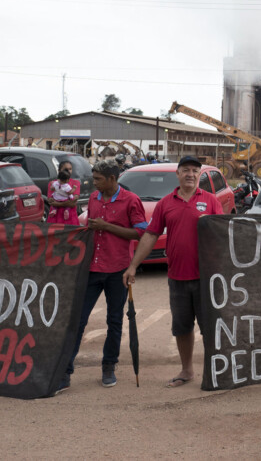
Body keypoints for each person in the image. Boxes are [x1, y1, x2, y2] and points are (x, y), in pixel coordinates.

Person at [123, 155, 223, 388]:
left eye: (195, 171)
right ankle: (187, 370)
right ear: (177, 174)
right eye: (186, 170)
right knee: (182, 326)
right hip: (177, 277)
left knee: (210, 327)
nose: (190, 174)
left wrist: (213, 224)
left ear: (200, 175)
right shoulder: (166, 203)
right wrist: (133, 265)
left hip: (206, 278)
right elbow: (150, 235)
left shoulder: (210, 200)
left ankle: (214, 371)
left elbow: (225, 234)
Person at [57, 159, 147, 393]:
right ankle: (65, 372)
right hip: (91, 269)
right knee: (78, 321)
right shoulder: (95, 199)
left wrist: (106, 227)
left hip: (118, 269)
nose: (94, 182)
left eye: (98, 179)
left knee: (114, 321)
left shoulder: (131, 200)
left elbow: (140, 232)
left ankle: (109, 366)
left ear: (112, 178)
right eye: (94, 178)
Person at [46, 159, 80, 225]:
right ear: (59, 171)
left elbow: (73, 202)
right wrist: (66, 203)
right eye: (65, 169)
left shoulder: (76, 183)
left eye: (70, 169)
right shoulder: (53, 183)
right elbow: (50, 201)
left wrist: (58, 203)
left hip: (70, 218)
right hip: (55, 218)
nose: (68, 171)